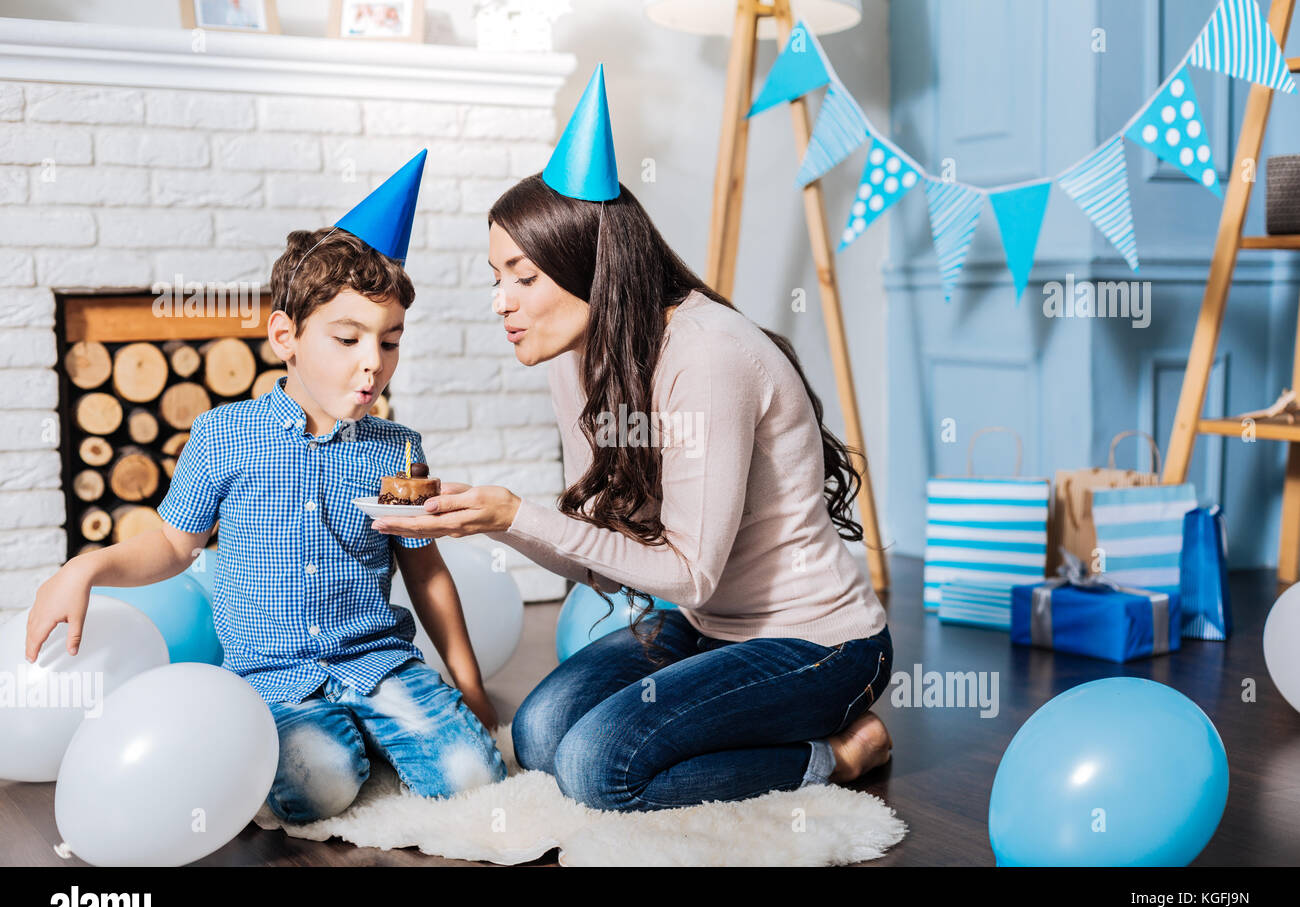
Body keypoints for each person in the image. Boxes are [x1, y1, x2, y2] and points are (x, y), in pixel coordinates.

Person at [369, 66, 894, 813]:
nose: (500, 303)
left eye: (521, 279)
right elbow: (607, 565)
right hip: (703, 630)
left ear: (587, 261)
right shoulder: (578, 359)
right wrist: (486, 518)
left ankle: (838, 754)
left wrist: (514, 513)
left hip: (817, 645)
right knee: (542, 738)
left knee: (596, 769)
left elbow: (688, 575)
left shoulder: (710, 353)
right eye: (496, 279)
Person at [24, 153, 505, 825]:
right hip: (273, 679)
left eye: (390, 341)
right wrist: (87, 566)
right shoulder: (224, 435)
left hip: (378, 663)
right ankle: (356, 743)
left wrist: (471, 688)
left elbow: (424, 573)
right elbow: (172, 545)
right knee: (320, 788)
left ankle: (386, 725)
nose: (373, 363)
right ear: (286, 335)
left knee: (473, 778)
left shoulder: (398, 449)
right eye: (348, 338)